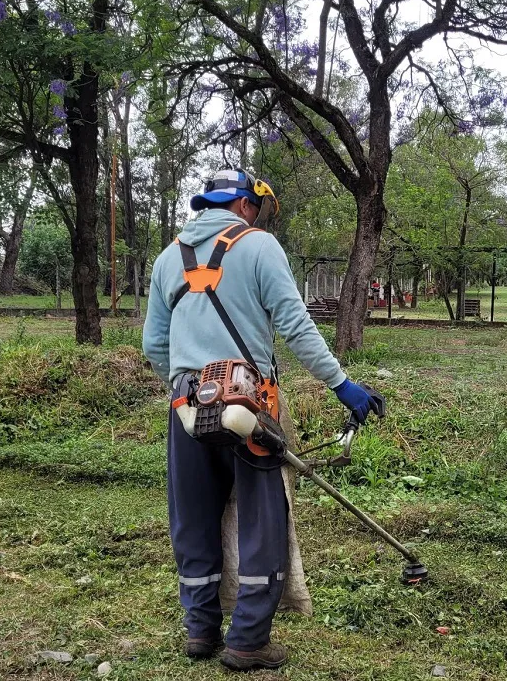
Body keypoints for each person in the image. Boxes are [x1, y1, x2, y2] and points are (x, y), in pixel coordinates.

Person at [142, 168, 380, 672]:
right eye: (258, 208)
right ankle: (247, 640)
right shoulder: (259, 247)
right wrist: (342, 385)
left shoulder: (167, 259)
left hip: (186, 408)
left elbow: (153, 347)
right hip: (251, 408)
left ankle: (200, 631)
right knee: (261, 521)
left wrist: (187, 389)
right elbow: (295, 325)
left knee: (193, 520)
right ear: (247, 204)